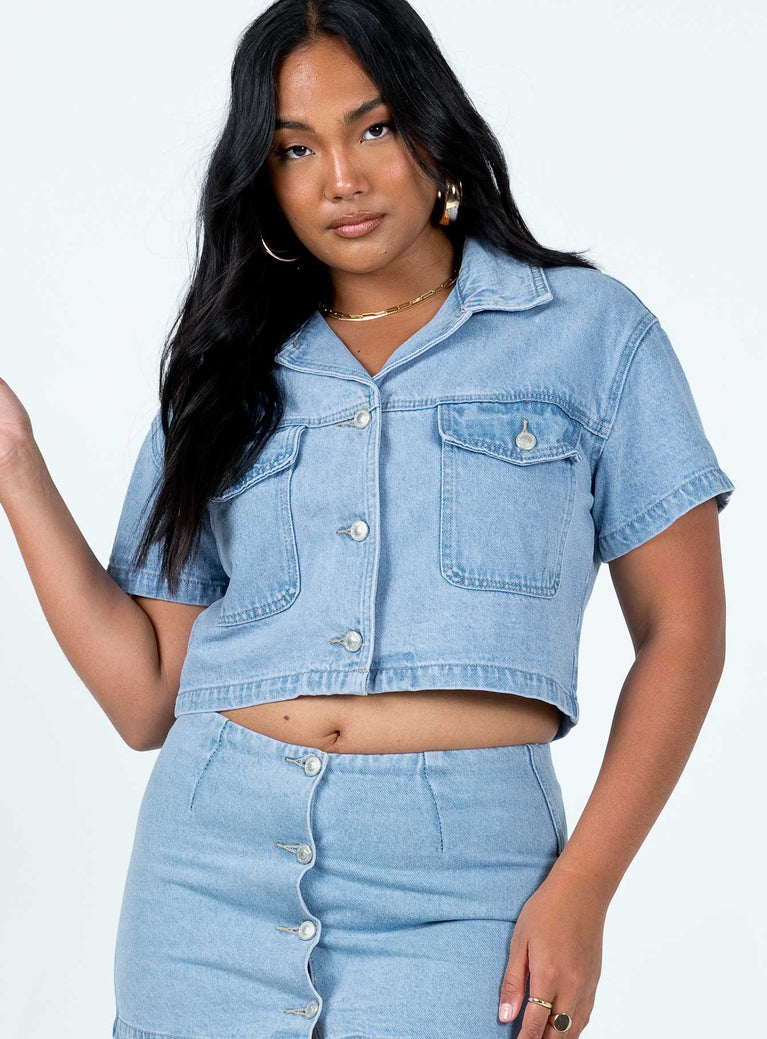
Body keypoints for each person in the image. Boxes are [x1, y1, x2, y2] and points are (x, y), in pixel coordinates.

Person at [0, 1, 735, 1037]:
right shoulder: (223, 368)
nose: (339, 178)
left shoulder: (586, 332)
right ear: (263, 178)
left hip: (466, 885)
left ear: (435, 129)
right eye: (294, 148)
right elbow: (145, 699)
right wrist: (16, 468)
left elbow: (682, 633)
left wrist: (585, 886)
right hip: (205, 874)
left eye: (373, 127)